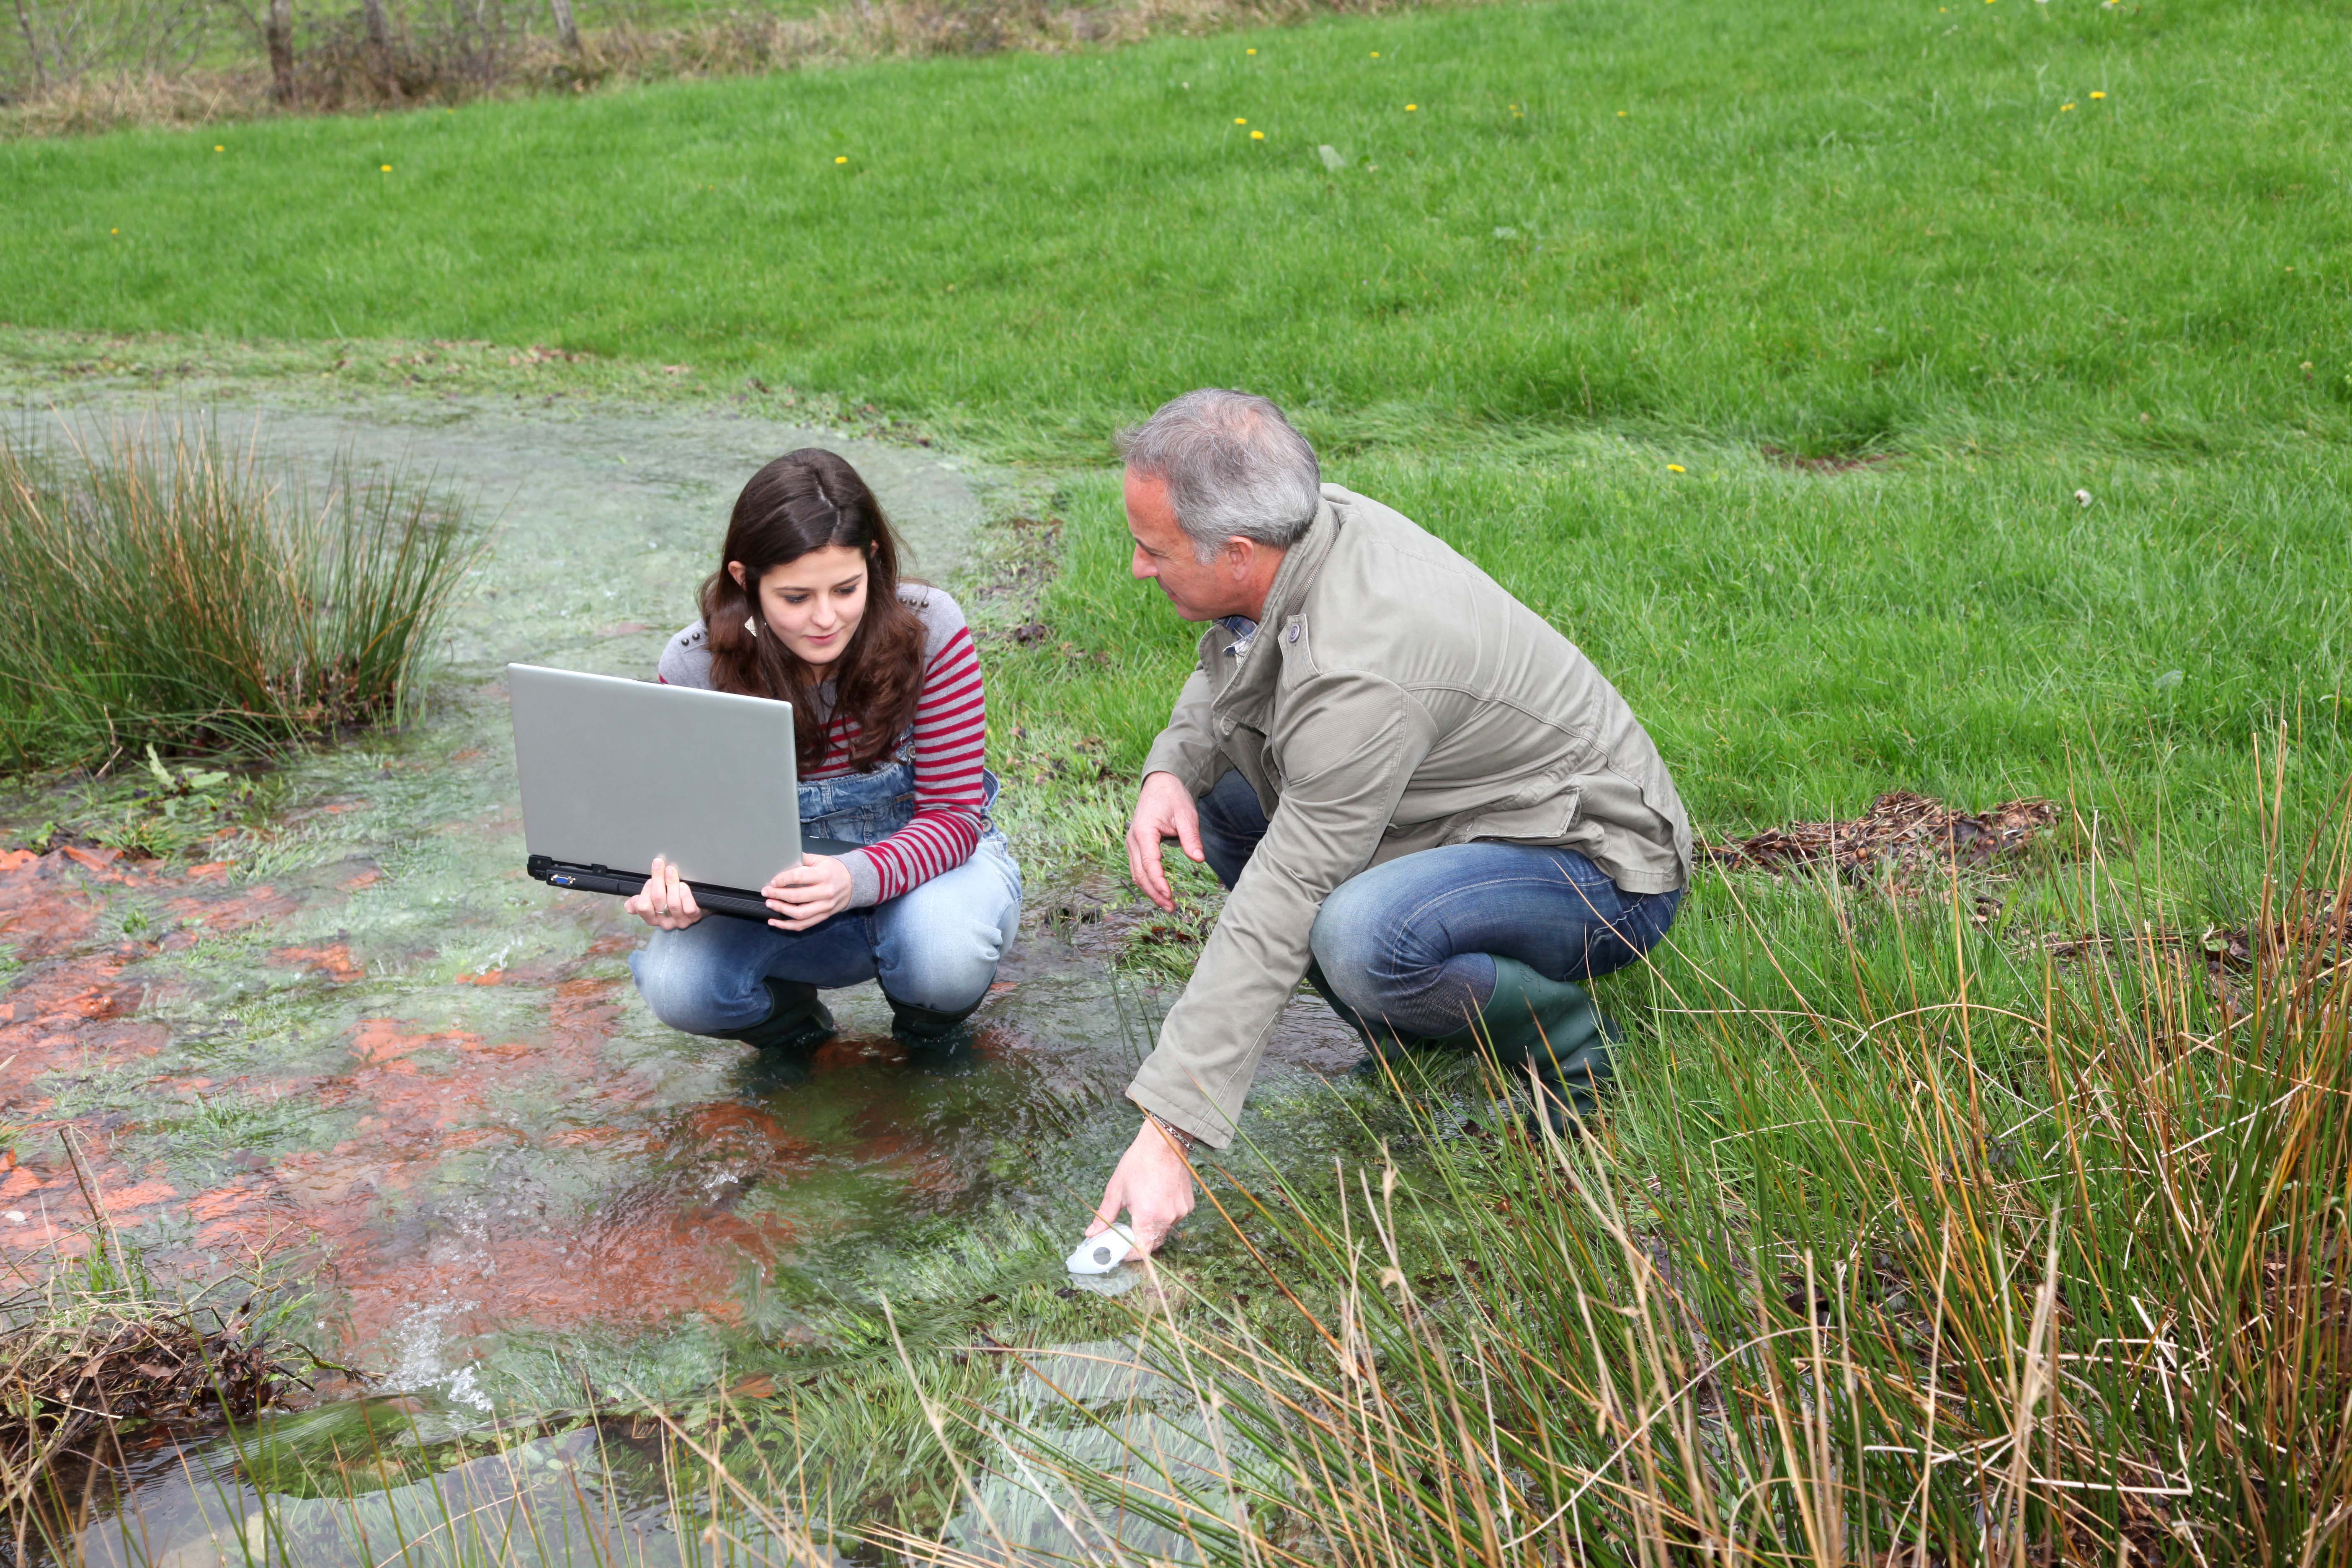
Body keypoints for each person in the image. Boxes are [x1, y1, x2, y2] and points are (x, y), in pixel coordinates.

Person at [1090, 390, 1689, 1255]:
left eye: (1153, 550)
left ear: (1236, 553)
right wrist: (1171, 768)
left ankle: (1573, 1048)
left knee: (1360, 937)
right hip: (1461, 814)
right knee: (1220, 799)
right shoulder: (1305, 529)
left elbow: (1284, 897)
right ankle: (1418, 1033)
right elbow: (1238, 658)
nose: (1139, 568)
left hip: (1597, 864)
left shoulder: (1359, 666)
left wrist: (1168, 1135)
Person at [625, 448, 1021, 1052]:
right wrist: (686, 893)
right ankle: (800, 1039)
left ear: (874, 562)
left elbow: (954, 818)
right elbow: (697, 836)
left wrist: (851, 879)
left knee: (942, 952)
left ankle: (926, 1036)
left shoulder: (930, 629)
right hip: (777, 905)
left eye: (846, 588)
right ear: (745, 581)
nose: (826, 619)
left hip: (932, 882)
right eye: (795, 598)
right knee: (679, 985)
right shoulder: (692, 666)